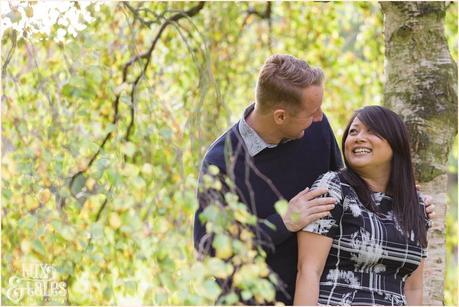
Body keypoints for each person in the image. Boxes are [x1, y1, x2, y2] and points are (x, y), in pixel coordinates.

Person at [193, 54, 434, 305]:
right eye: (312, 112)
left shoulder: (314, 130)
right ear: (280, 116)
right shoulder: (221, 163)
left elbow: (350, 190)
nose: (319, 117)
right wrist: (284, 221)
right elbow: (210, 251)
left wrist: (402, 197)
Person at [294, 106, 431, 306]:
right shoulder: (334, 187)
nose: (358, 137)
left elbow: (413, 287)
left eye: (372, 131)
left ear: (396, 143)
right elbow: (308, 271)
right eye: (353, 131)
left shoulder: (416, 204)